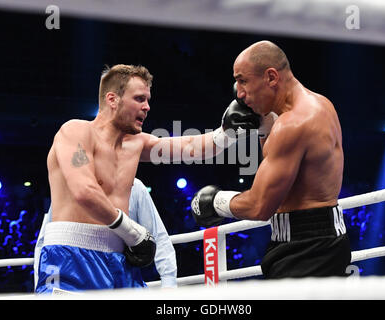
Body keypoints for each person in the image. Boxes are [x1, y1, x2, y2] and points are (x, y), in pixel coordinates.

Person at [37, 64, 265, 292]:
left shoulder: (136, 143)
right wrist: (133, 233)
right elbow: (84, 191)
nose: (147, 107)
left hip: (118, 262)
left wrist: (227, 132)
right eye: (139, 99)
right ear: (112, 99)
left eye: (147, 99)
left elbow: (191, 147)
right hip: (70, 258)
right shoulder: (76, 131)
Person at [191, 40, 351, 279]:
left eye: (243, 80)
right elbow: (286, 173)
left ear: (271, 77)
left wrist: (216, 202)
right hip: (316, 241)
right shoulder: (319, 104)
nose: (240, 93)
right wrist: (264, 127)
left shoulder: (293, 124)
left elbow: (260, 206)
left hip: (307, 249)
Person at [34, 178, 177, 291]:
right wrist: (39, 284)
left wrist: (168, 284)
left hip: (122, 271)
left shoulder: (134, 187)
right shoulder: (70, 189)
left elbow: (158, 236)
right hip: (72, 268)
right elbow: (44, 243)